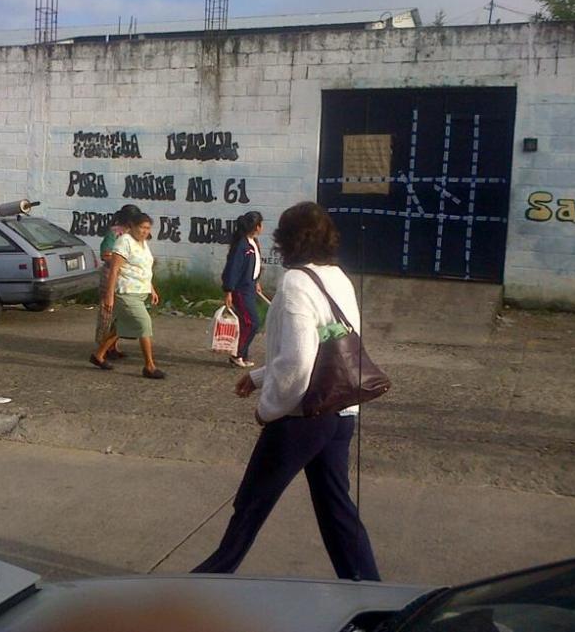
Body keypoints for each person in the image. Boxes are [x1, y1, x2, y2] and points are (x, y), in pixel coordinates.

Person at [192, 201, 380, 581]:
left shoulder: (295, 283)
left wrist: (268, 409)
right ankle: (369, 588)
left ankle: (204, 584)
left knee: (250, 505)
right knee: (337, 511)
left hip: (301, 416)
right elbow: (327, 342)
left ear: (287, 240)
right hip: (340, 410)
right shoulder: (339, 277)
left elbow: (297, 361)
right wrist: (260, 376)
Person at [90, 213, 165, 379]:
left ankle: (98, 355)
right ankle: (149, 366)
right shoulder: (124, 241)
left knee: (121, 326)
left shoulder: (143, 243)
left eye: (148, 228)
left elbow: (144, 268)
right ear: (132, 226)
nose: (145, 231)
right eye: (142, 227)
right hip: (126, 292)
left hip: (140, 292)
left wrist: (151, 289)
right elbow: (114, 270)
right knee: (144, 324)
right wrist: (109, 296)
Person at [221, 211, 268, 368]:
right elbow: (232, 268)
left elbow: (254, 265)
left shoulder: (253, 242)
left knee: (245, 322)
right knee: (252, 323)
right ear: (256, 226)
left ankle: (243, 355)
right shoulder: (241, 245)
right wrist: (228, 291)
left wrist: (256, 281)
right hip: (240, 290)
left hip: (250, 287)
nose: (262, 227)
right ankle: (237, 354)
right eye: (261, 224)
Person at [95, 204, 142, 358]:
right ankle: (103, 348)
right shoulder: (114, 233)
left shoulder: (133, 234)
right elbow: (105, 254)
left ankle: (113, 346)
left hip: (125, 277)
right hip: (110, 275)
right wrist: (123, 262)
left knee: (120, 313)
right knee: (107, 313)